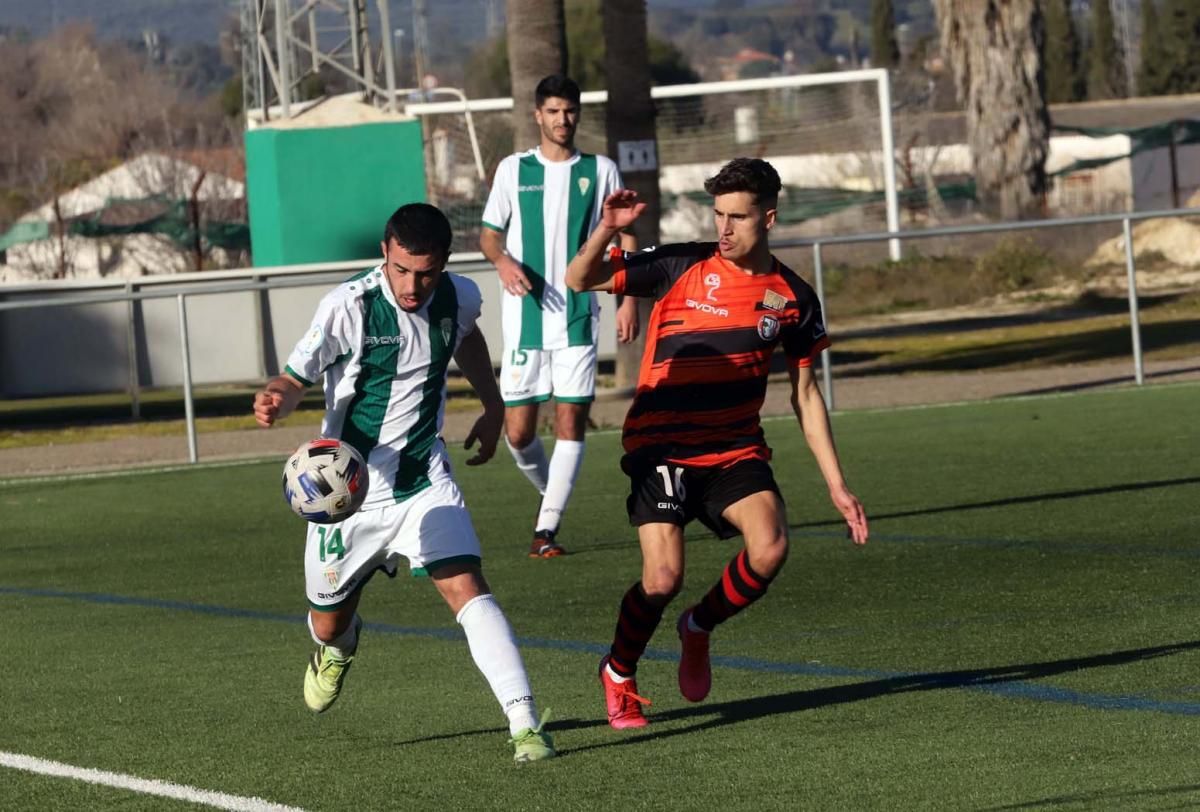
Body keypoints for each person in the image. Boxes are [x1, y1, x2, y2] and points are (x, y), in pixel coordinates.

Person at [565, 158, 870, 729]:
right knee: (662, 579)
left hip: (733, 447)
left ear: (769, 218)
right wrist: (607, 228)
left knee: (771, 547)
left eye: (738, 217)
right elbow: (578, 279)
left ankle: (698, 627)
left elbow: (804, 395)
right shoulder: (680, 263)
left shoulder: (792, 298)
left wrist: (837, 484)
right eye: (719, 216)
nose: (725, 229)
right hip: (662, 446)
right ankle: (620, 671)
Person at [253, 203, 555, 763]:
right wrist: (276, 396)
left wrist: (492, 405)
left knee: (467, 587)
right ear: (384, 256)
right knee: (327, 622)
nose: (413, 286)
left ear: (443, 265)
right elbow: (295, 377)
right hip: (344, 496)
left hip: (423, 482)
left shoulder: (459, 295)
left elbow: (466, 335)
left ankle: (526, 723)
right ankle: (338, 646)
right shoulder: (348, 306)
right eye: (401, 270)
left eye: (427, 272)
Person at [480, 73, 639, 559]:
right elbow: (489, 235)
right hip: (524, 318)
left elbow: (625, 235)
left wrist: (629, 298)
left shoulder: (601, 170)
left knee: (571, 422)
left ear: (578, 114)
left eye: (569, 111)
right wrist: (504, 261)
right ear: (537, 115)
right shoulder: (513, 169)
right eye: (553, 111)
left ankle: (545, 530)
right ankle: (551, 498)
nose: (562, 119)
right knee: (519, 434)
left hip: (577, 316)